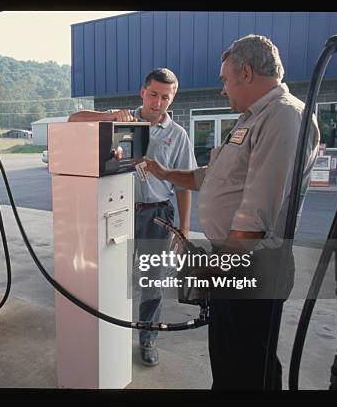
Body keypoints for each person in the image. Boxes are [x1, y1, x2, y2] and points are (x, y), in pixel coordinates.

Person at [140, 35, 320, 389]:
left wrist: (215, 267)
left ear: (247, 73)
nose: (223, 89)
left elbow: (256, 215)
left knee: (248, 367)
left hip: (252, 269)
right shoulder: (253, 118)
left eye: (225, 79)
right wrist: (166, 173)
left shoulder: (283, 117)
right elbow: (215, 177)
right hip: (235, 264)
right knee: (229, 362)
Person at [68, 68, 197, 366]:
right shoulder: (120, 120)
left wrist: (185, 227)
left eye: (165, 97)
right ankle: (110, 336)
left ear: (172, 98)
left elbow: (184, 184)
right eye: (153, 95)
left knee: (151, 281)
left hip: (157, 215)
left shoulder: (177, 135)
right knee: (113, 275)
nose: (158, 103)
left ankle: (148, 338)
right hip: (117, 212)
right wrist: (110, 115)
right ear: (142, 92)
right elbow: (74, 120)